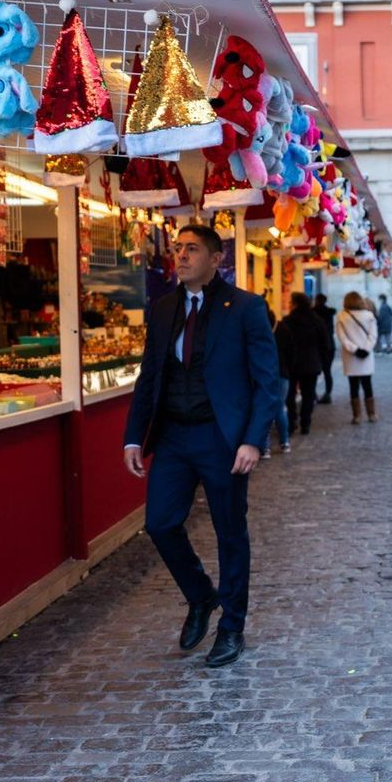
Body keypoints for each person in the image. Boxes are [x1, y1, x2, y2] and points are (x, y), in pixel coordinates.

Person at [122, 224, 281, 669]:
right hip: (173, 436)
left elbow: (267, 382)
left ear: (216, 259)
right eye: (178, 248)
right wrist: (134, 435)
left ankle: (232, 627)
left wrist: (253, 439)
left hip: (222, 439)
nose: (182, 255)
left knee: (230, 533)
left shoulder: (245, 308)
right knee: (160, 524)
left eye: (192, 249)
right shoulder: (164, 307)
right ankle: (201, 596)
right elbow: (149, 375)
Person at [275, 292, 332, 436]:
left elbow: (282, 344)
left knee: (290, 394)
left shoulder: (287, 321)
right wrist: (321, 360)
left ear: (294, 304)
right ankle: (305, 423)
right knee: (308, 394)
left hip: (292, 364)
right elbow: (325, 343)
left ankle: (292, 421)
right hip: (311, 364)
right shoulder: (316, 320)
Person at [335, 291, 380, 424]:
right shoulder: (369, 316)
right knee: (368, 385)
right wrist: (366, 349)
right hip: (366, 357)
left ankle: (357, 416)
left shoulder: (341, 317)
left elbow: (342, 337)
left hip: (351, 358)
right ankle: (371, 414)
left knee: (353, 386)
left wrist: (354, 349)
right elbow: (373, 335)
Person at [263, 306, 291, 458]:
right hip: (282, 372)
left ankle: (265, 447)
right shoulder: (282, 328)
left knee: (263, 408)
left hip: (262, 373)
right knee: (279, 408)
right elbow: (291, 350)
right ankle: (284, 442)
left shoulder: (256, 328)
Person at [313, 294, 337, 403]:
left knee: (314, 371)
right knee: (327, 371)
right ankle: (328, 394)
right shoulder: (330, 313)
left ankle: (313, 394)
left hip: (316, 346)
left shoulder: (312, 312)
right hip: (329, 345)